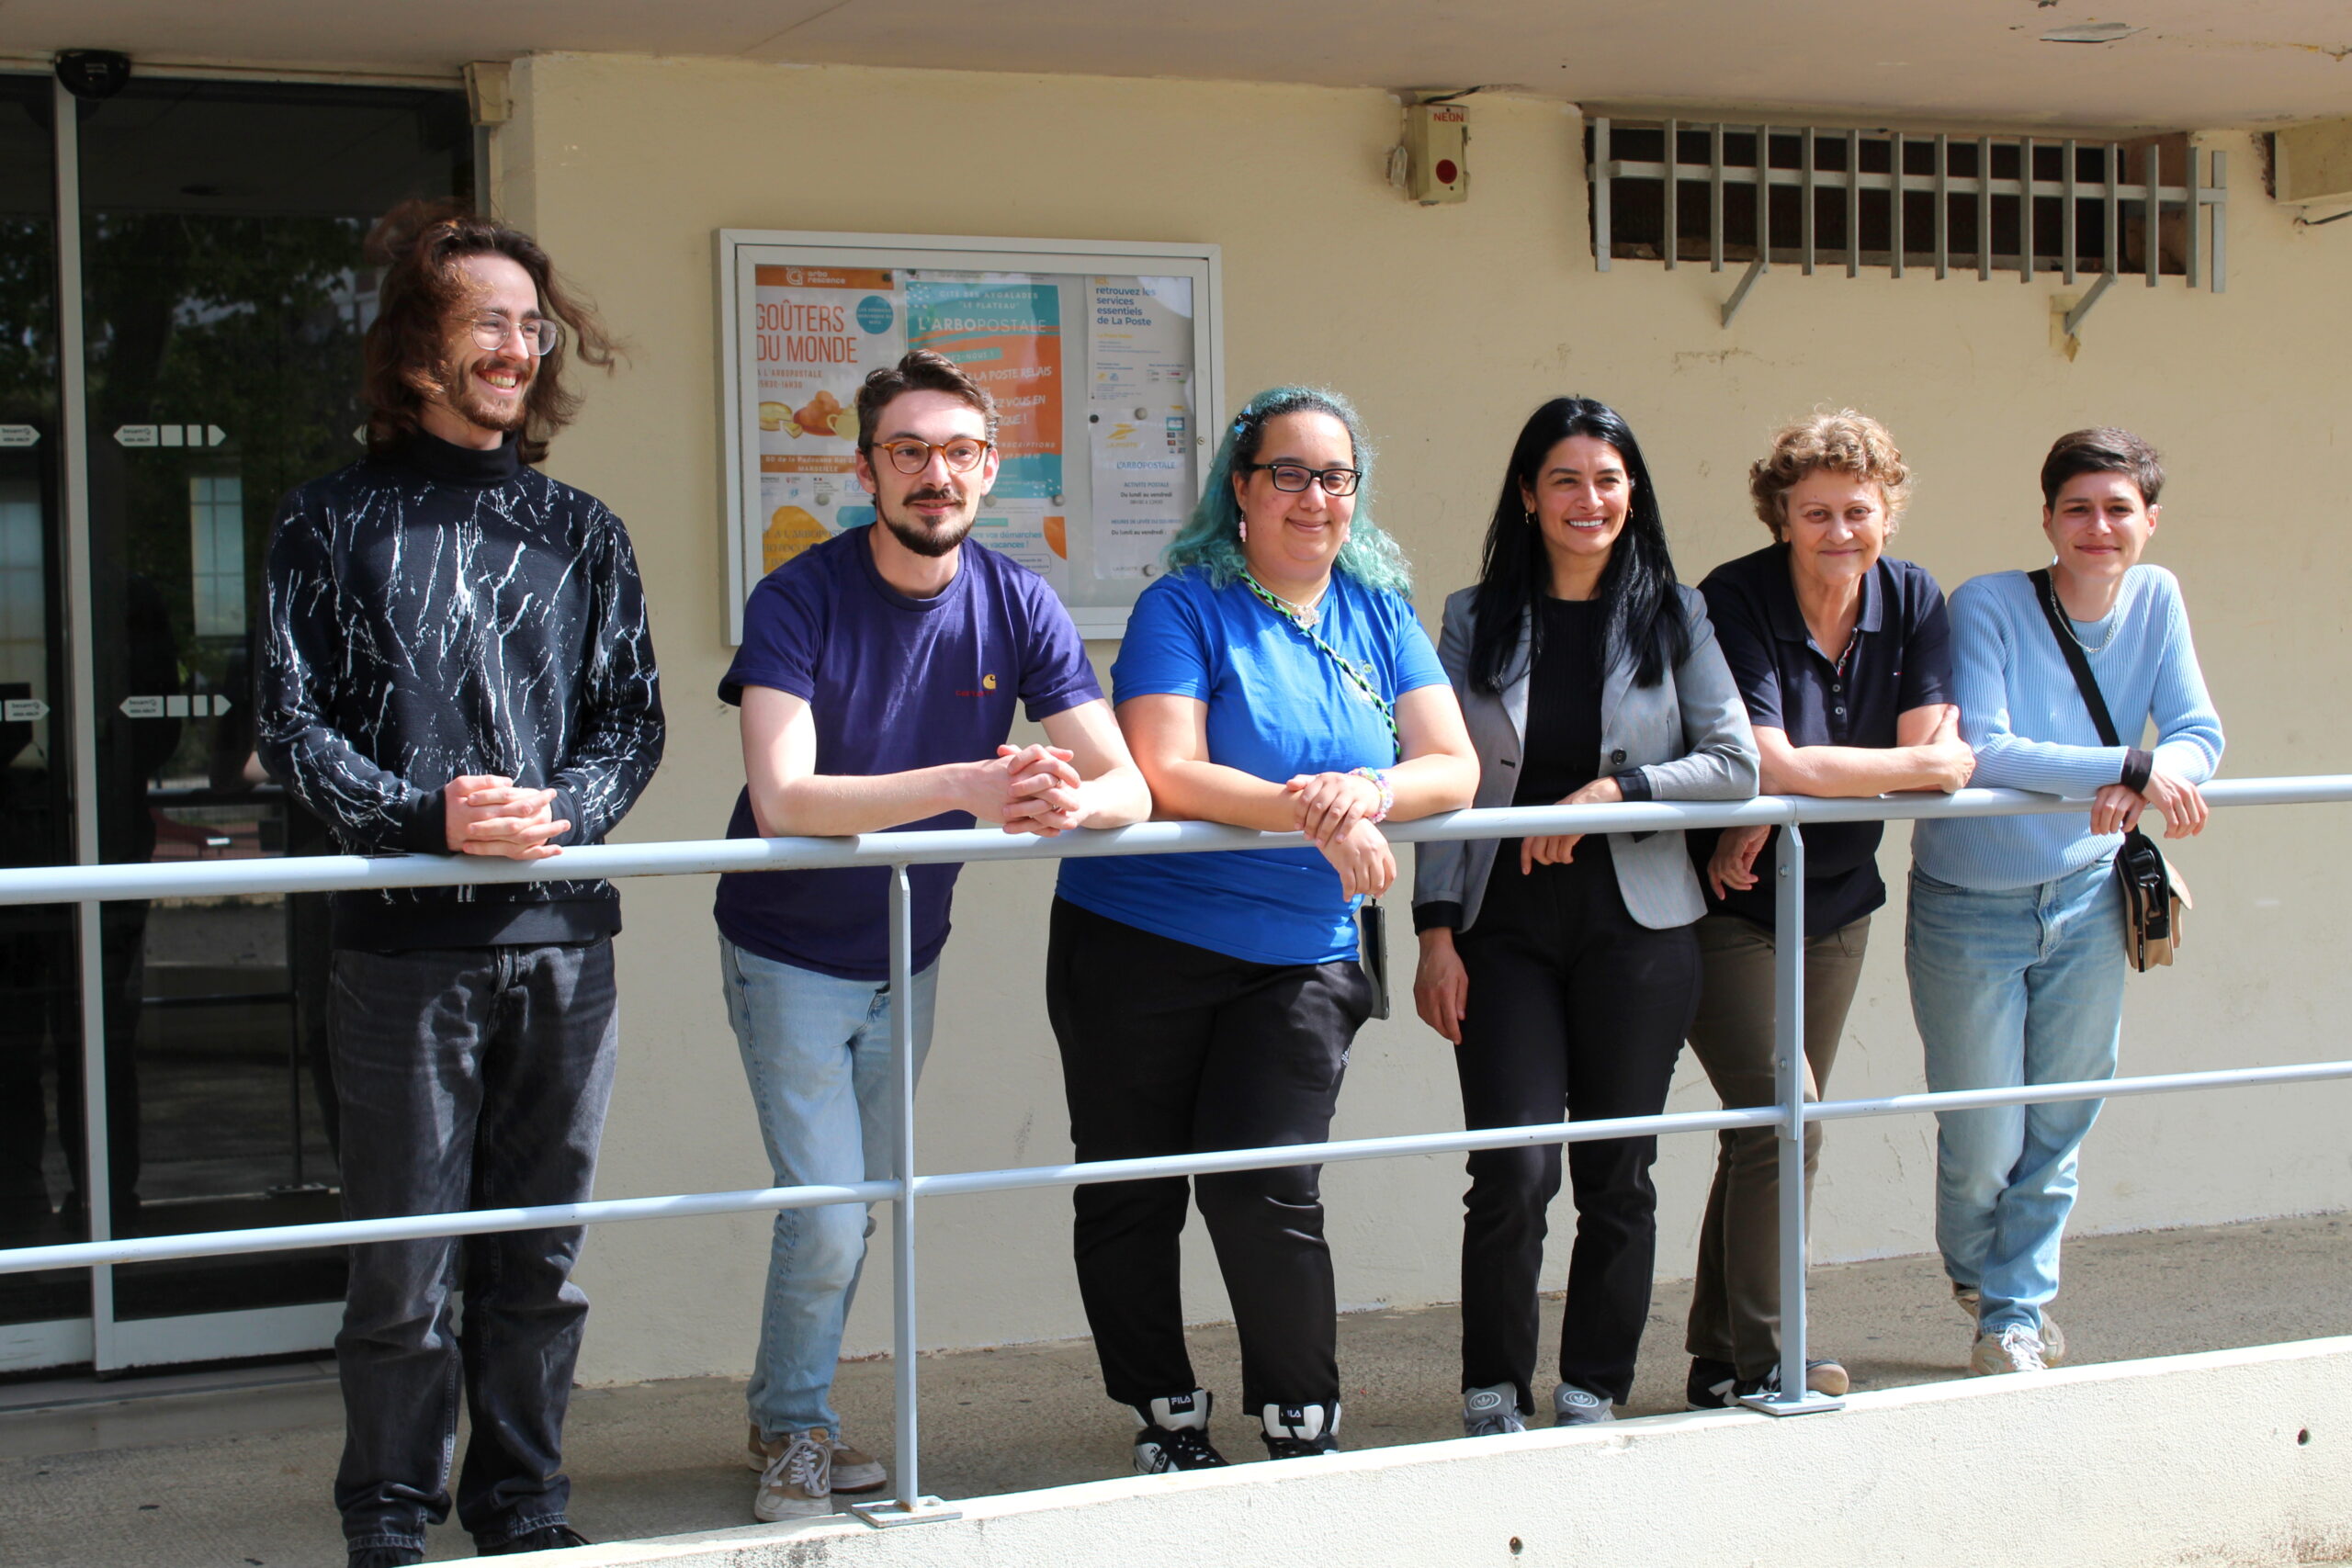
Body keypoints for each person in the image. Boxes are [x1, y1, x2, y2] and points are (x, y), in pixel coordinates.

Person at [257, 200, 661, 1567]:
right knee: (405, 1263)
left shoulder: (582, 529)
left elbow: (632, 718)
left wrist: (565, 811)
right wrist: (427, 816)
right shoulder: (325, 520)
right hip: (399, 951)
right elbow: (292, 727)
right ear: (416, 344)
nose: (516, 346)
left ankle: (523, 1507)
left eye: (531, 325)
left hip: (565, 940)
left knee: (538, 1259)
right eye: (487, 320)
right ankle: (387, 1517)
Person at [715, 349, 1149, 1519]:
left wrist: (1062, 803)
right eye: (907, 452)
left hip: (909, 949)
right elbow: (785, 801)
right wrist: (968, 785)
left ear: (990, 470)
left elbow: (1127, 785)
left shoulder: (1017, 600)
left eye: (958, 452)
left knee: (858, 1205)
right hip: (787, 949)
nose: (934, 474)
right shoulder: (797, 596)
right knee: (827, 1210)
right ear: (865, 471)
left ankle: (781, 1411)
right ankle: (795, 1430)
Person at [1048, 387, 1476, 1472]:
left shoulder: (1381, 612)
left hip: (1300, 955)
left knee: (1264, 1187)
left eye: (1335, 477)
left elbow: (1453, 765)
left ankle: (1299, 1415)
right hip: (1137, 947)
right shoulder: (1182, 604)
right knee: (1132, 1186)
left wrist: (1366, 793)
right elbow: (1167, 771)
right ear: (1240, 488)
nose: (1313, 497)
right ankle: (1163, 1412)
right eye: (1288, 473)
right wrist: (1319, 813)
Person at [1412, 396, 1757, 1436]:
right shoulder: (1473, 615)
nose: (1588, 499)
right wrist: (1434, 929)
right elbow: (1445, 780)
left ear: (1631, 494)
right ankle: (1491, 1385)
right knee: (1513, 1167)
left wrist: (1614, 794)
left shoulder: (1675, 613)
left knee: (1618, 1170)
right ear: (1527, 495)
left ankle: (1593, 1386)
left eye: (1608, 479)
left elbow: (1734, 762)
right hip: (1500, 925)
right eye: (1564, 479)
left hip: (1638, 924)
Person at [1908, 426, 2222, 1375]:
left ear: (2150, 520)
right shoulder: (1989, 604)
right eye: (2077, 508)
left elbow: (2198, 730)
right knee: (1983, 1132)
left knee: (2061, 1120)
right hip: (1970, 902)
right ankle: (1980, 1275)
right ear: (2045, 519)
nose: (2098, 526)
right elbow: (1986, 749)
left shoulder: (2157, 598)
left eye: (2118, 508)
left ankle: (2012, 1312)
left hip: (2086, 892)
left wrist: (2153, 773)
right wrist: (2128, 765)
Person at [1681, 412, 1971, 1410]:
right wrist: (1876, 769)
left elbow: (1936, 760)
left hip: (1838, 897)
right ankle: (1771, 1358)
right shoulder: (1734, 596)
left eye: (1858, 510)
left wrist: (1819, 779)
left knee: (1767, 1129)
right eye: (1815, 513)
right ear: (1781, 517)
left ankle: (1719, 1356)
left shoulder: (1914, 596)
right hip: (1727, 897)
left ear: (1887, 509)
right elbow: (1772, 759)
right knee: (1786, 1118)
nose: (1840, 531)